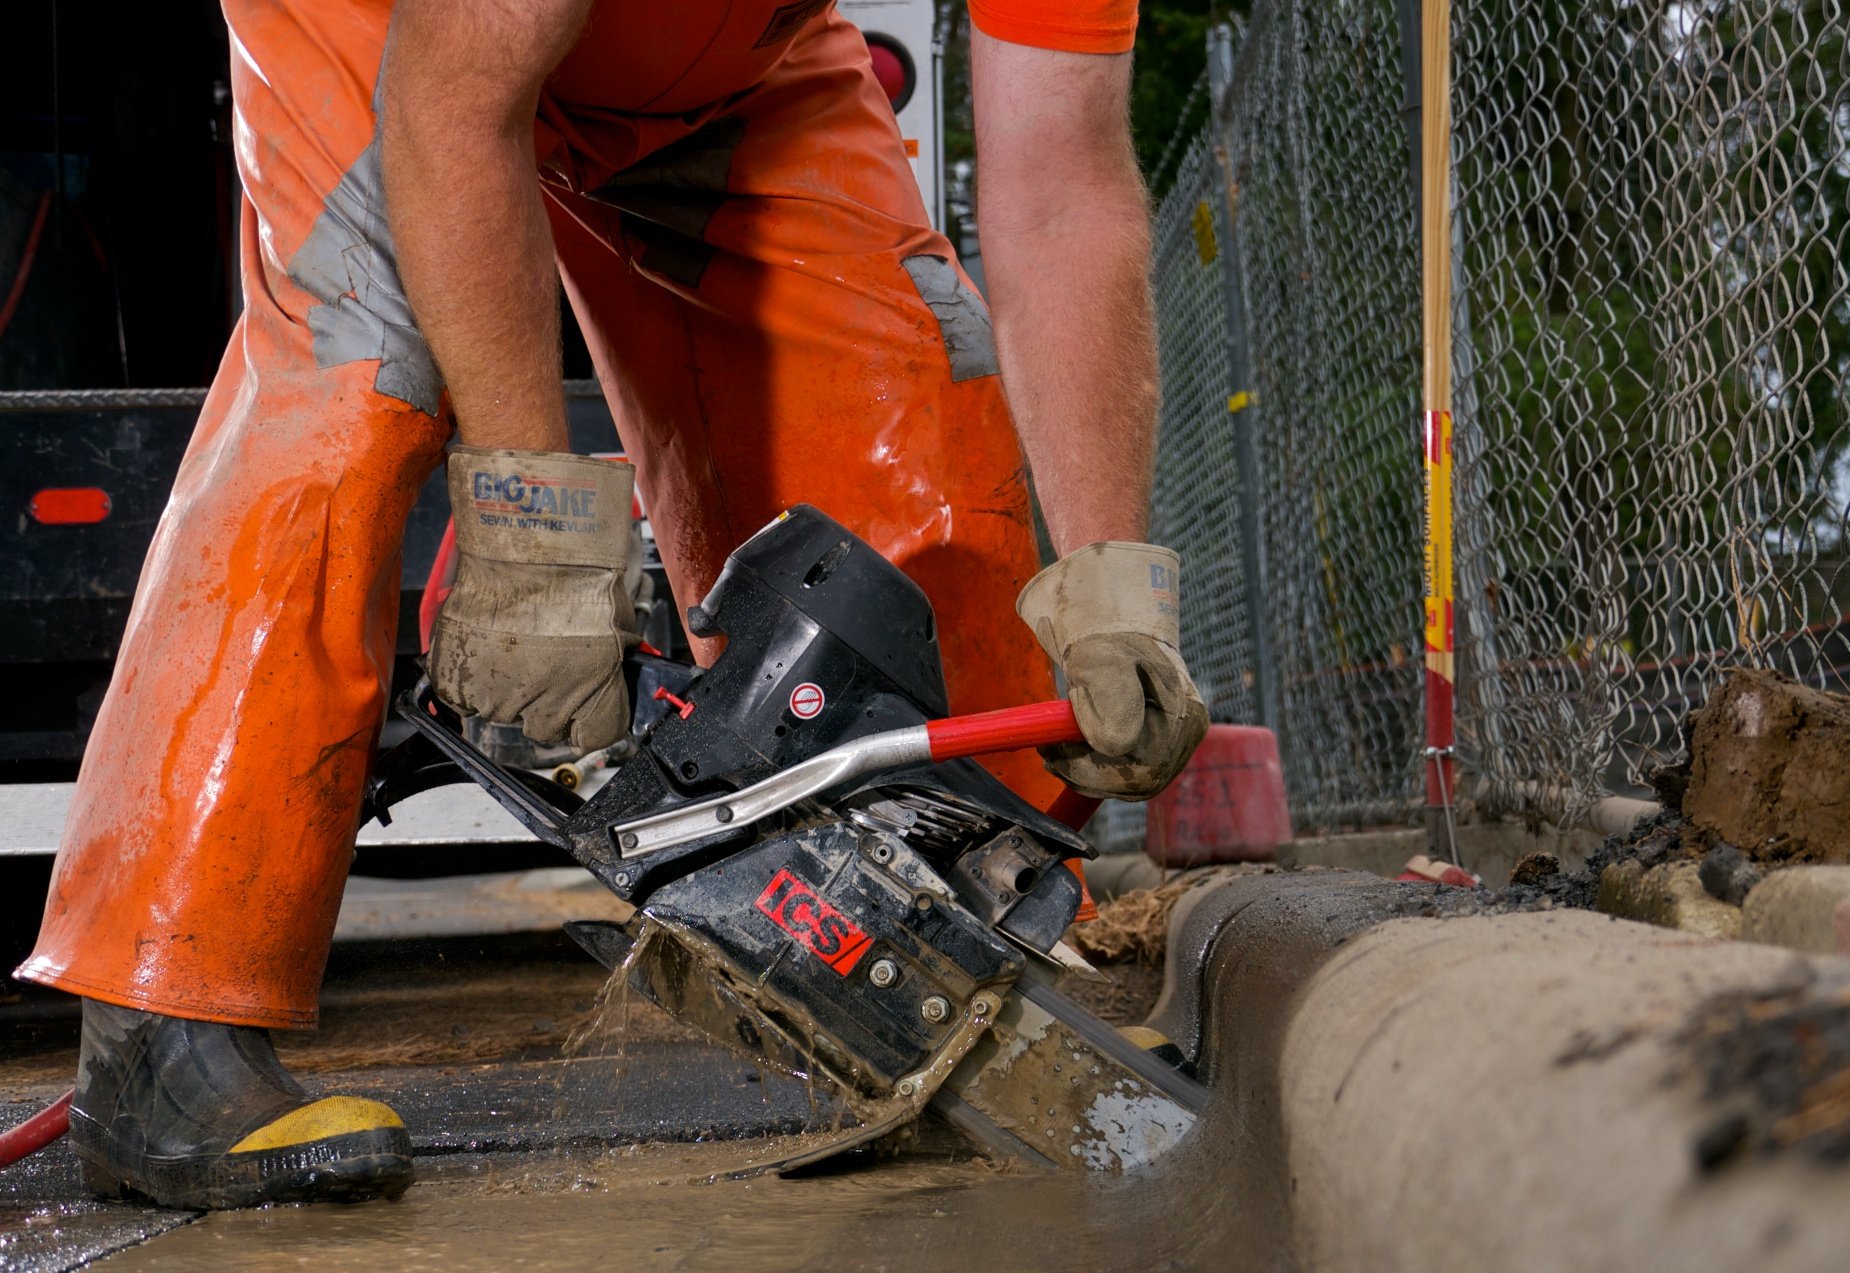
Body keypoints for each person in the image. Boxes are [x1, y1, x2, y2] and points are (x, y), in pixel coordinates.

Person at [15, 0, 1207, 1210]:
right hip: (398, 30)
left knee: (918, 380)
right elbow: (454, 103)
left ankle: (933, 956)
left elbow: (1058, 191)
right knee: (365, 372)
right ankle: (162, 1023)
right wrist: (536, 541)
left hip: (714, 55)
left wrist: (1111, 584)